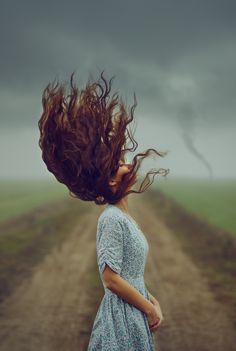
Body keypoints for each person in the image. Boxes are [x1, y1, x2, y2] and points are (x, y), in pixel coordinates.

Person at [38, 70, 170, 350]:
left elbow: (129, 273)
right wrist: (148, 308)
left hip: (132, 315)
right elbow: (110, 279)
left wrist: (151, 299)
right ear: (111, 179)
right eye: (120, 163)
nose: (127, 164)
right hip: (119, 322)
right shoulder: (111, 218)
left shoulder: (123, 217)